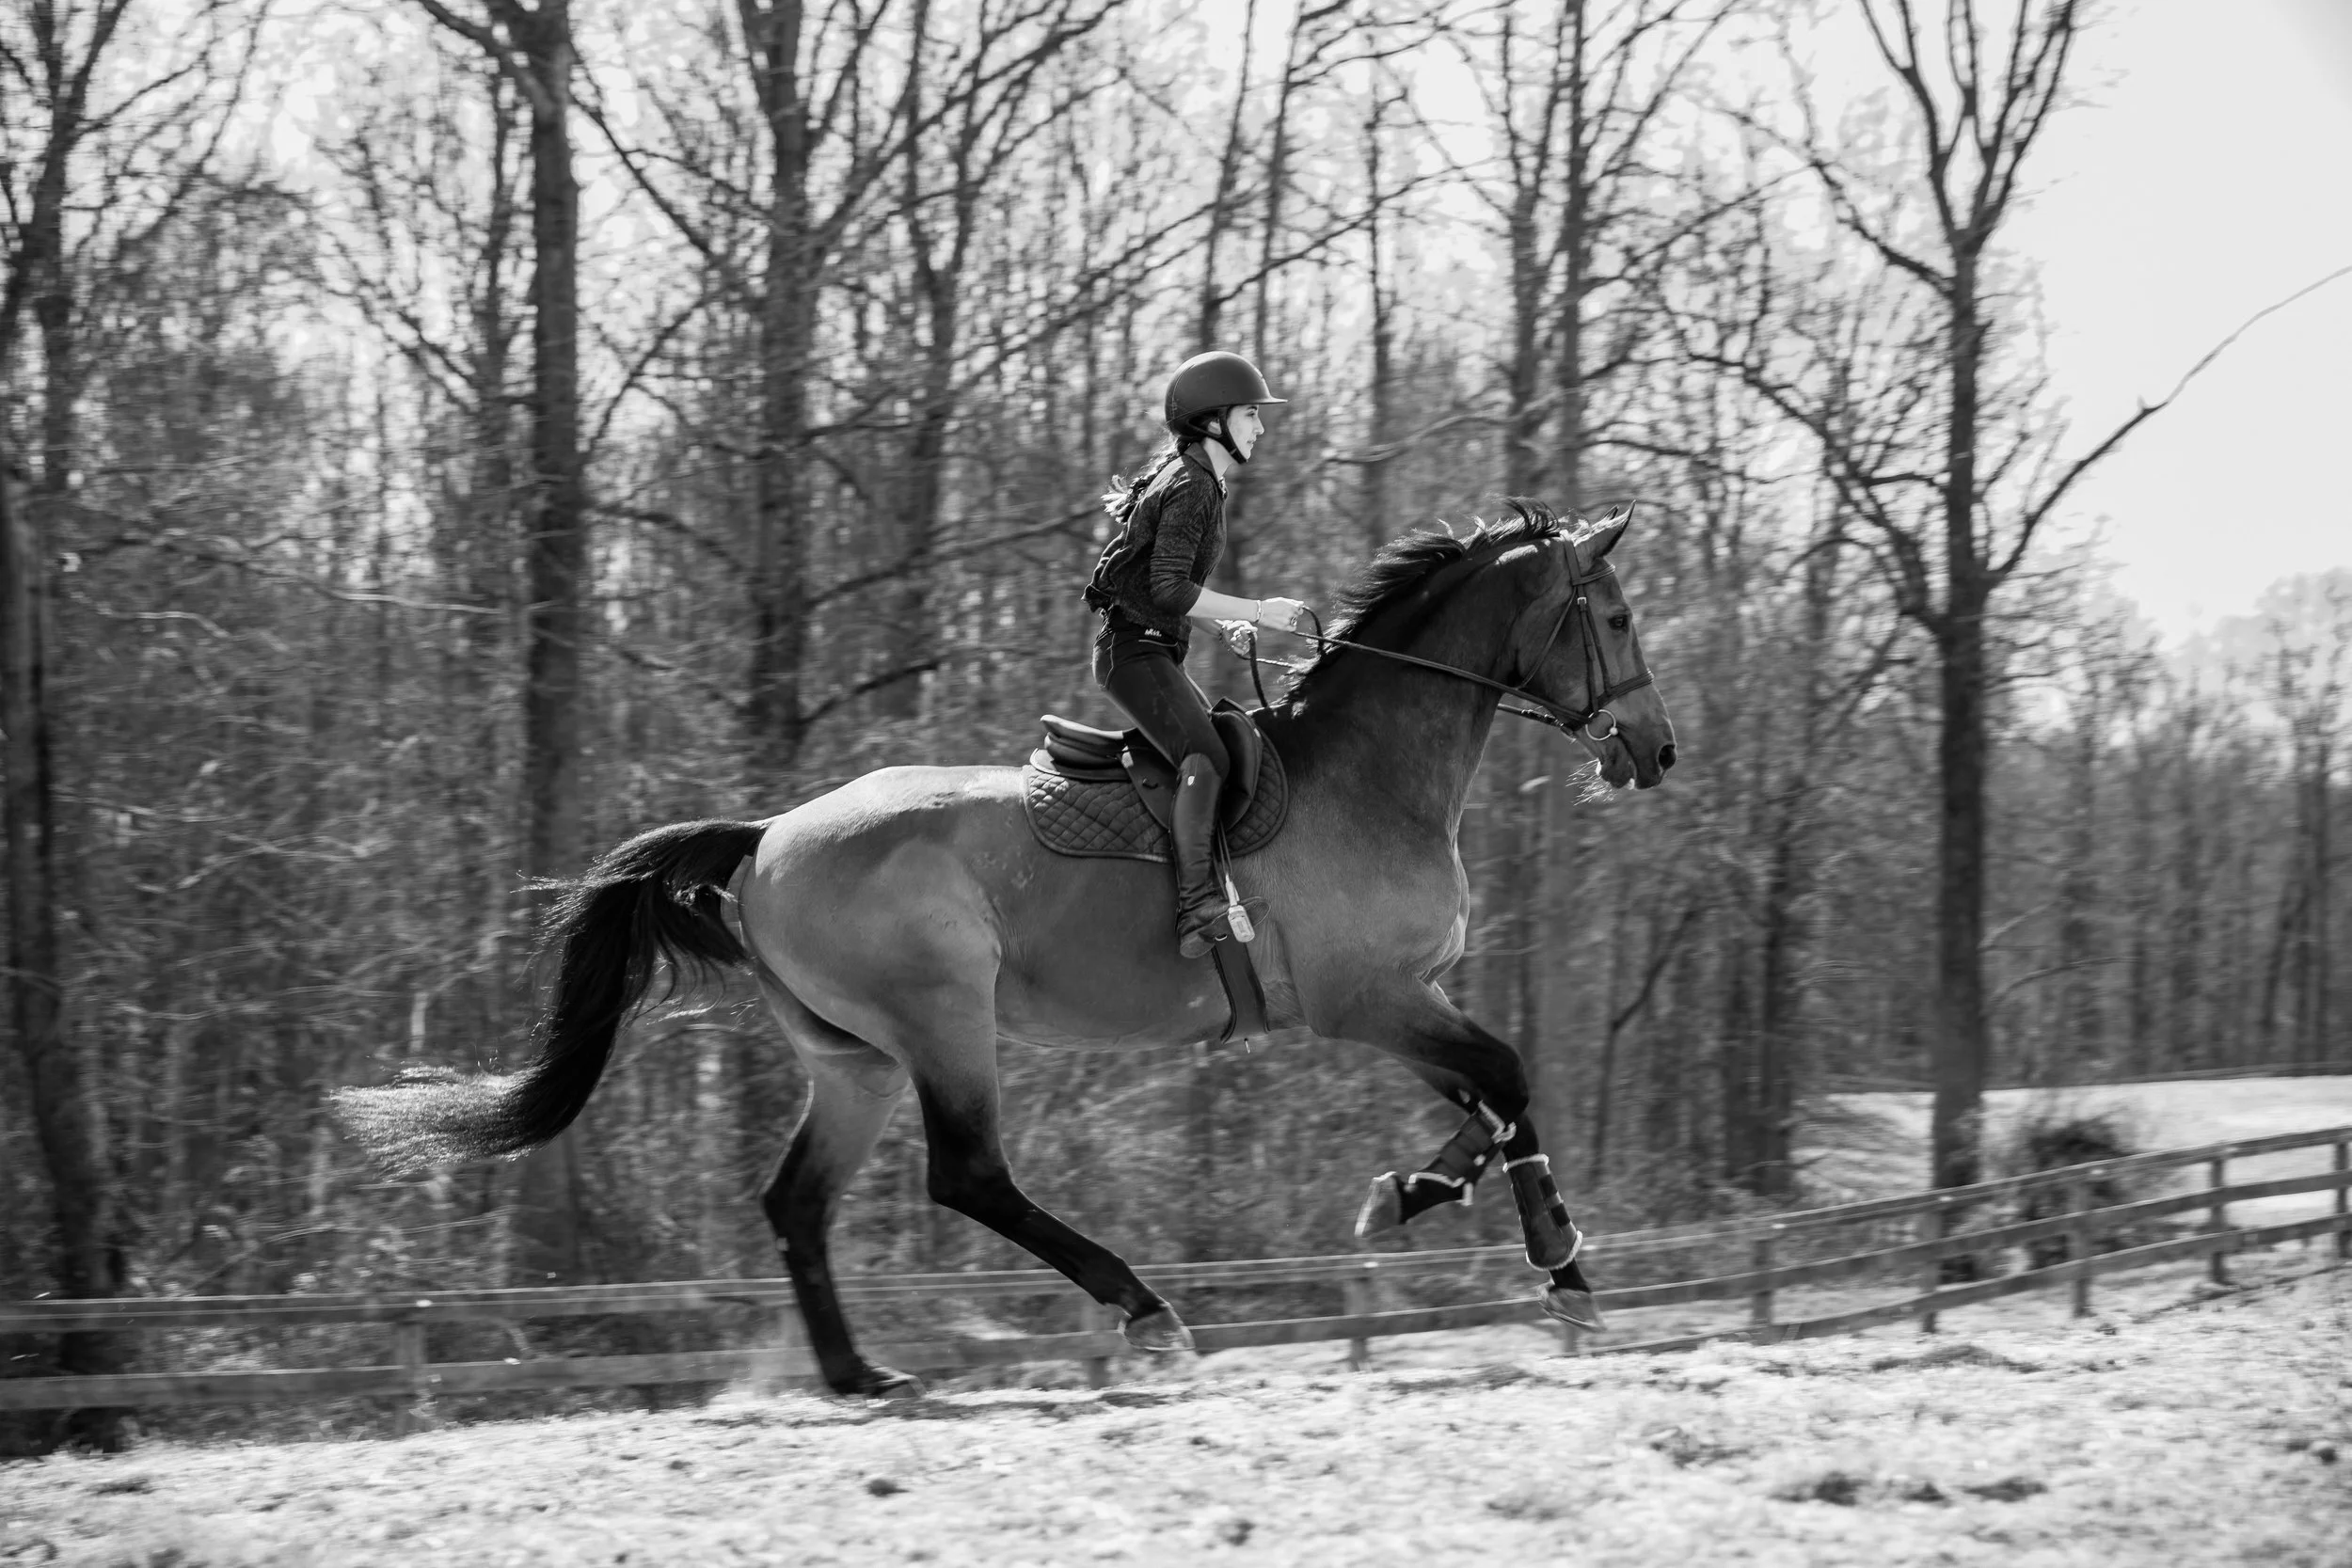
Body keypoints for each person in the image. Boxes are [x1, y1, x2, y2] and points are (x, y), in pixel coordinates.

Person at [1083, 351, 1315, 958]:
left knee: (1219, 749)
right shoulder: (1191, 487)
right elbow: (1168, 590)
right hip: (1135, 652)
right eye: (1249, 414)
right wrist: (1258, 610)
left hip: (1153, 647)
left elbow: (1164, 588)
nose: (1260, 427)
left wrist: (1220, 628)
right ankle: (1196, 908)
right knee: (1206, 756)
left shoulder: (1199, 481)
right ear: (1213, 421)